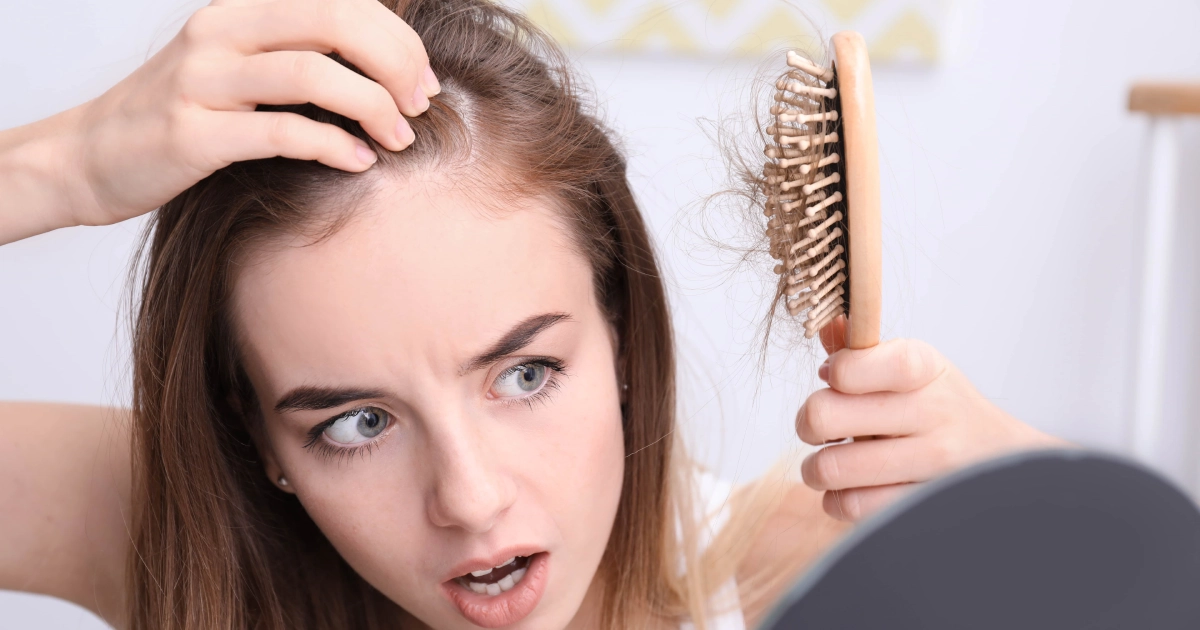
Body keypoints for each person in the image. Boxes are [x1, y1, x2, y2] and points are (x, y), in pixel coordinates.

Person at [0, 0, 1064, 628]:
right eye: (355, 424)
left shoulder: (795, 572)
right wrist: (57, 167)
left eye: (524, 374)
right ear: (258, 440)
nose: (469, 500)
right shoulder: (194, 532)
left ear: (618, 333)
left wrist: (1065, 517)